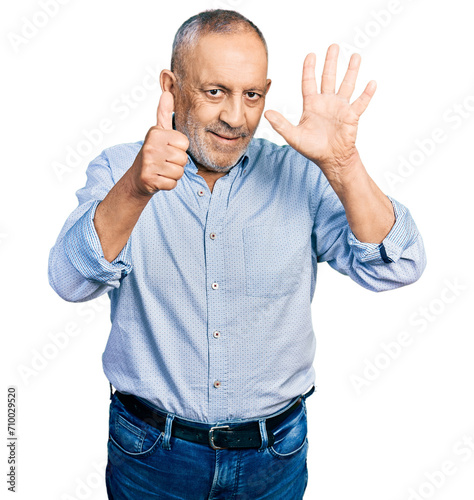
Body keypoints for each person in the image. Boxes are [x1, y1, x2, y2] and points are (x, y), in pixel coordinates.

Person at [48, 8, 426, 500]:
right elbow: (69, 282)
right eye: (214, 92)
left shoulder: (303, 174)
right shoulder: (122, 169)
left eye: (252, 95)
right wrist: (135, 190)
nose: (235, 116)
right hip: (150, 454)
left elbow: (398, 266)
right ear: (172, 85)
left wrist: (343, 165)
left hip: (274, 457)